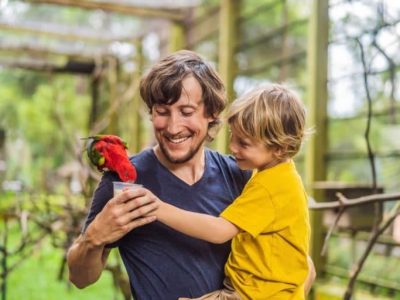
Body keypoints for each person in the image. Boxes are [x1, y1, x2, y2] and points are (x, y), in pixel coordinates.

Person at [67, 50, 315, 300]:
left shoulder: (241, 175)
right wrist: (93, 239)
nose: (173, 127)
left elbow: (302, 268)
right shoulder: (124, 181)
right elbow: (80, 278)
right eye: (162, 111)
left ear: (211, 113)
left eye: (186, 111)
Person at [148, 84, 312, 299]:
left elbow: (219, 231)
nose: (232, 147)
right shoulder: (282, 174)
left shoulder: (270, 186)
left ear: (278, 147)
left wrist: (156, 208)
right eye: (232, 135)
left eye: (244, 143)